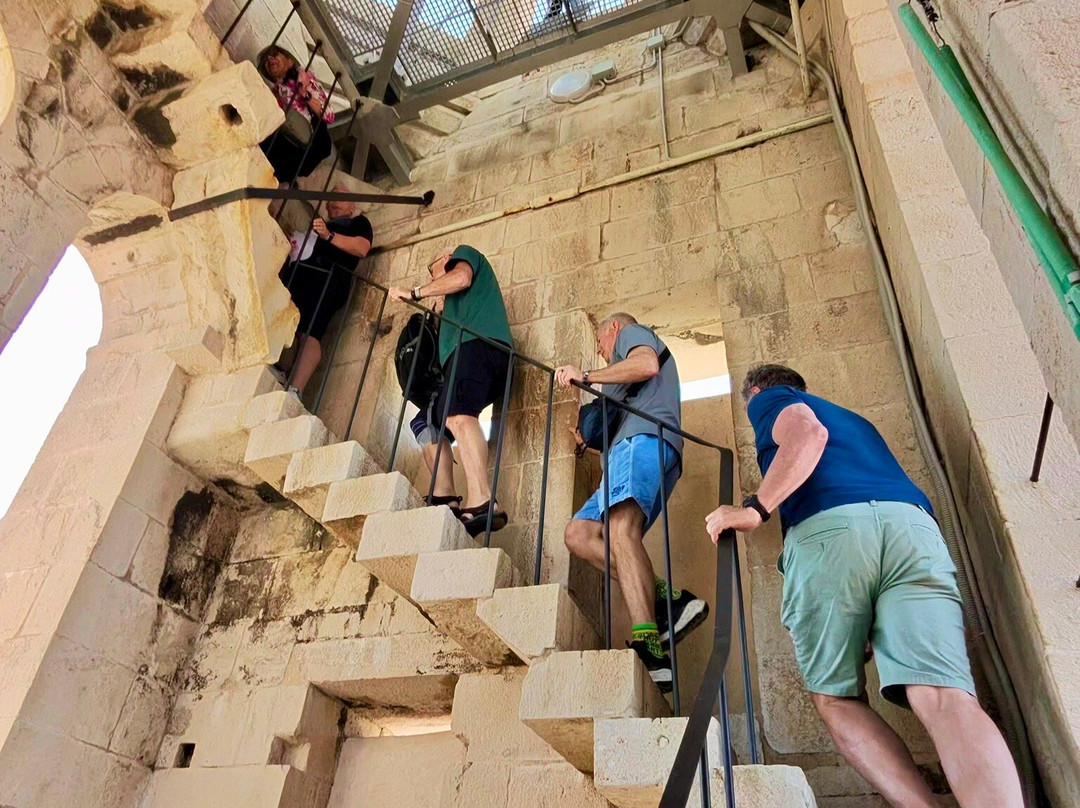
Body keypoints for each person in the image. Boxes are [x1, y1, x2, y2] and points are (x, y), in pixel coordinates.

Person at [705, 364, 1023, 808]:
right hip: (912, 529)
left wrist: (755, 509)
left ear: (758, 390)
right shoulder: (857, 421)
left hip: (831, 530)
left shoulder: (769, 400)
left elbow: (807, 435)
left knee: (837, 701)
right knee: (943, 695)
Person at [555, 313, 708, 693]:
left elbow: (646, 364)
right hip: (627, 452)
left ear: (614, 329)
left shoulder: (633, 336)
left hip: (643, 442)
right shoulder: (619, 382)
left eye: (600, 340)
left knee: (622, 530)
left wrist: (585, 375)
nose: (600, 349)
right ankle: (670, 600)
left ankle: (650, 646)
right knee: (579, 533)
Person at [388, 246, 514, 537]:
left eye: (433, 273)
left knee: (458, 417)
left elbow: (460, 279)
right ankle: (446, 495)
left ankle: (482, 499)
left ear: (445, 260)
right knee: (426, 422)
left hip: (478, 347)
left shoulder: (464, 255)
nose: (434, 282)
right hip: (467, 358)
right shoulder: (453, 310)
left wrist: (417, 292)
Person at [278, 188, 372, 395]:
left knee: (311, 332)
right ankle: (281, 371)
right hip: (300, 277)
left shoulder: (358, 223)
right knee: (291, 326)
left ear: (352, 206)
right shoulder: (321, 226)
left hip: (327, 279)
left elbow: (361, 248)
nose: (332, 203)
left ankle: (296, 388)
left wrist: (328, 236)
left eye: (339, 198)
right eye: (329, 201)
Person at [257, 45, 335, 180]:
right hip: (289, 142)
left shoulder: (305, 79)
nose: (270, 59)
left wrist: (305, 94)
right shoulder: (274, 93)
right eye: (266, 61)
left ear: (289, 61)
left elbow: (329, 115)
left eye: (274, 54)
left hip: (308, 138)